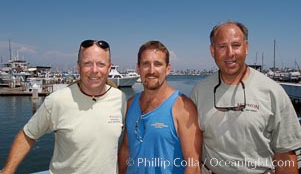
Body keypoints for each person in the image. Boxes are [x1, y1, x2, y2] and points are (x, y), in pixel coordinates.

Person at [190, 21, 301, 174]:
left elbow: (286, 156)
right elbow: (192, 151)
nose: (230, 53)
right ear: (212, 51)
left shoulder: (273, 92)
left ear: (246, 47)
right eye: (222, 46)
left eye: (236, 45)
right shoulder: (198, 92)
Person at [1, 40, 127, 174]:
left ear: (109, 67)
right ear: (78, 67)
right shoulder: (57, 101)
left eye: (101, 64)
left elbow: (128, 143)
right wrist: (7, 171)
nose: (94, 70)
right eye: (87, 63)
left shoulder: (120, 99)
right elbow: (27, 135)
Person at [118, 40, 202, 173]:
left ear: (168, 69)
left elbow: (193, 165)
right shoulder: (131, 104)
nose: (151, 70)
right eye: (146, 64)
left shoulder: (182, 106)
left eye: (158, 64)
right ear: (138, 68)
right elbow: (126, 149)